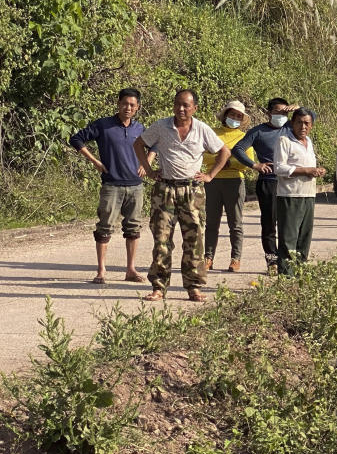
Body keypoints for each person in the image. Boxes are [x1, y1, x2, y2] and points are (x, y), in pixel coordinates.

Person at [133, 89, 230, 302]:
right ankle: (159, 286)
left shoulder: (202, 129)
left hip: (192, 191)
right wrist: (149, 171)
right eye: (178, 104)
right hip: (165, 190)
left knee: (194, 239)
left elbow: (224, 151)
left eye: (186, 105)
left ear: (195, 108)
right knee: (161, 239)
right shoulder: (161, 126)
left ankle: (194, 286)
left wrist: (210, 175)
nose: (181, 109)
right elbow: (139, 144)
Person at [69, 88, 146, 284]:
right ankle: (101, 271)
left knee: (133, 228)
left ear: (137, 108)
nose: (127, 108)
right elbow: (76, 139)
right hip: (111, 184)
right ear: (118, 103)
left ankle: (130, 269)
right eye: (124, 103)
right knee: (104, 228)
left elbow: (154, 145)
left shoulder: (140, 129)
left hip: (135, 186)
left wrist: (148, 164)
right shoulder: (104, 125)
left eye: (132, 105)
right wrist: (95, 161)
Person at [231, 98, 291, 275]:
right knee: (269, 222)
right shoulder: (258, 132)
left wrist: (297, 109)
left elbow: (309, 119)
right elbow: (238, 149)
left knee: (288, 222)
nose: (281, 116)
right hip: (268, 182)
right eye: (277, 112)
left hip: (289, 182)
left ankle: (287, 259)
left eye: (284, 113)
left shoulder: (290, 129)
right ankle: (272, 259)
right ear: (268, 113)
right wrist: (255, 165)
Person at [202, 100, 253, 272]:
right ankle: (208, 257)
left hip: (235, 181)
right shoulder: (212, 133)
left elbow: (247, 162)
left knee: (235, 222)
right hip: (213, 181)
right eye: (232, 114)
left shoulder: (244, 137)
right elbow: (204, 157)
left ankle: (235, 258)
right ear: (225, 115)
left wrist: (225, 162)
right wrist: (224, 160)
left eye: (238, 116)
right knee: (211, 222)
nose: (235, 118)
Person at [273, 108, 325, 274]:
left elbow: (307, 165)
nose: (303, 126)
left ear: (312, 125)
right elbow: (279, 168)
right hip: (290, 195)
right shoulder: (284, 140)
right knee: (289, 239)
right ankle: (286, 277)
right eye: (299, 122)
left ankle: (300, 274)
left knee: (304, 238)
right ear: (292, 123)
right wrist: (305, 171)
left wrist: (316, 170)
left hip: (308, 194)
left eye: (307, 123)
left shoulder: (308, 141)